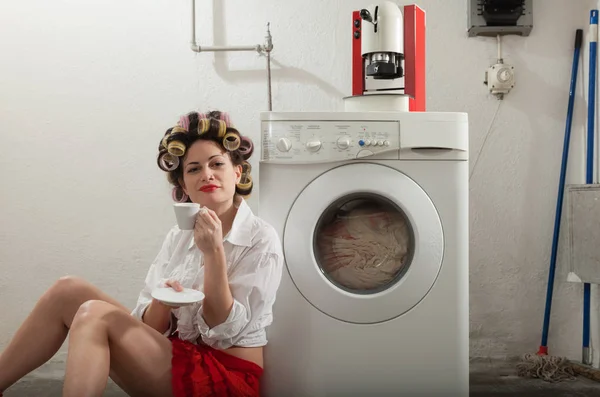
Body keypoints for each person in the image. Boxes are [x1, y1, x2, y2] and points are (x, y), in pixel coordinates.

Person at [0, 110, 284, 397]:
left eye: (217, 163)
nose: (207, 174)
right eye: (194, 168)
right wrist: (162, 302)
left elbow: (223, 329)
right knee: (68, 289)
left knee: (95, 314)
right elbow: (149, 327)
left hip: (225, 375)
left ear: (237, 172)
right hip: (176, 353)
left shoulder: (261, 238)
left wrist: (213, 253)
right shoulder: (178, 235)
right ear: (184, 185)